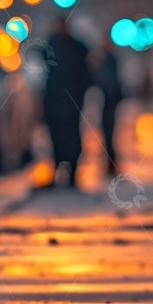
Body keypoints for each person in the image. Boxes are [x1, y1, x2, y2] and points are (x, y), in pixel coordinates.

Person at [42, 15, 91, 187]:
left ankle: (73, 172)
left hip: (71, 102)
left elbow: (86, 72)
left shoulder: (77, 47)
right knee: (55, 138)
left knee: (72, 138)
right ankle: (57, 170)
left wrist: (79, 94)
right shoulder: (50, 45)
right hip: (54, 101)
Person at [90, 40, 123, 175]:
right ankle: (110, 164)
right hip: (108, 103)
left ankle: (111, 164)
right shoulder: (110, 61)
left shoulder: (108, 62)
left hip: (109, 104)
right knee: (108, 134)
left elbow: (107, 82)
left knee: (108, 134)